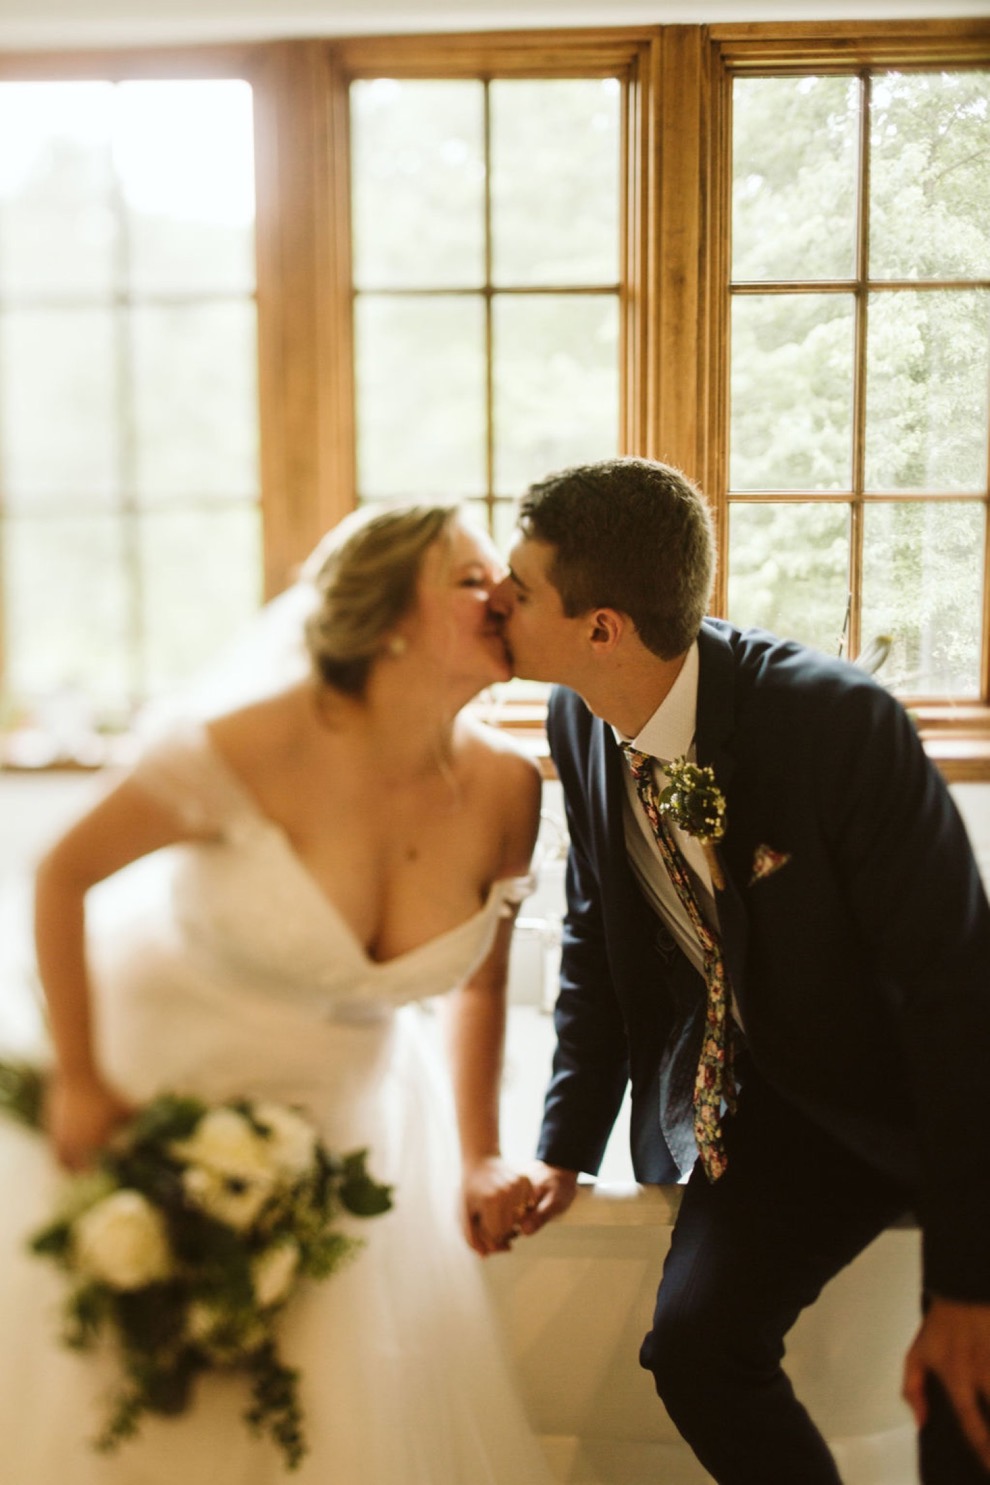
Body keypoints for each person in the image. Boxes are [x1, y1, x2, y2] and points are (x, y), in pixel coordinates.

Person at [0, 501, 556, 1484]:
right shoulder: (251, 746)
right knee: (151, 1410)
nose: (502, 596)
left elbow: (477, 991)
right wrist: (80, 1081)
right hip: (160, 1096)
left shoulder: (511, 787)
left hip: (351, 1125)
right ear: (388, 619)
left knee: (333, 1421)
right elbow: (60, 876)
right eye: (471, 580)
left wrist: (479, 1158)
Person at [487, 455, 990, 1485]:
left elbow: (958, 999)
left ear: (602, 626)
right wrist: (564, 1149)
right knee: (695, 1351)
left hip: (920, 1095)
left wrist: (966, 1287)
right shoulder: (577, 714)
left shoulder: (838, 722)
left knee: (963, 1398)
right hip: (760, 1108)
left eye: (519, 587)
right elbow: (596, 932)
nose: (497, 600)